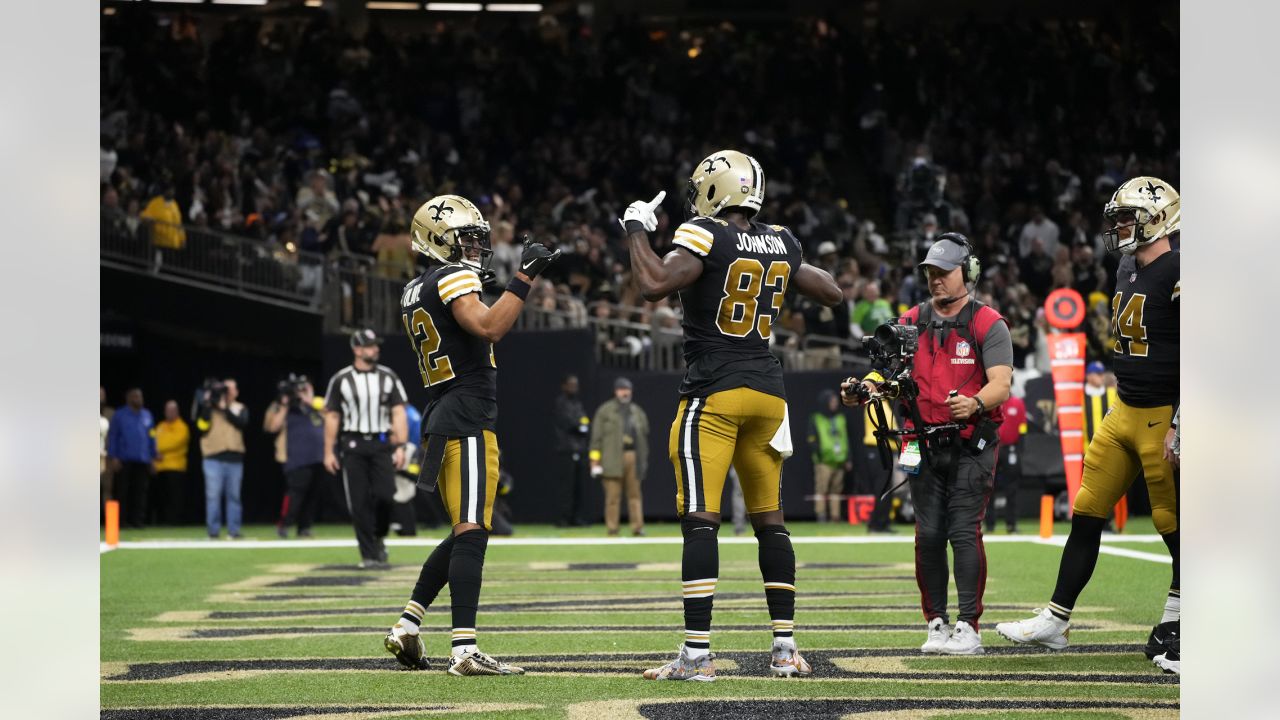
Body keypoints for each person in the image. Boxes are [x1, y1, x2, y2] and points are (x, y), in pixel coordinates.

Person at [622, 149, 842, 680]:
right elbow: (832, 292)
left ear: (715, 189)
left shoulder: (705, 234)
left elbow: (652, 284)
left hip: (715, 391)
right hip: (768, 395)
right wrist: (781, 267)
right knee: (772, 522)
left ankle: (697, 656)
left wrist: (634, 230)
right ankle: (786, 649)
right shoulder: (781, 240)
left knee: (701, 521)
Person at [996, 177, 1181, 673]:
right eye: (1117, 218)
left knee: (1175, 526)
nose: (1119, 226)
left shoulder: (1182, 271)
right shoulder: (1126, 265)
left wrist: (1184, 420)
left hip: (1165, 414)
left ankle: (1181, 621)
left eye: (1128, 218)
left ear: (1158, 218)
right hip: (1123, 409)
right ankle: (1057, 620)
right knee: (1086, 511)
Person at [382, 193, 558, 676]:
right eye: (467, 239)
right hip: (466, 415)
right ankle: (464, 649)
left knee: (465, 530)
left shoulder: (414, 289)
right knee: (473, 532)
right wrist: (525, 278)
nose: (476, 247)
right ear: (439, 241)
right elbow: (488, 327)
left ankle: (408, 626)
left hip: (441, 414)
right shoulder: (451, 276)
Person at [844, 231, 1014, 656]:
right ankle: (936, 622)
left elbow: (1002, 385)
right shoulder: (907, 321)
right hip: (919, 440)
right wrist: (864, 387)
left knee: (962, 530)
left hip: (971, 442)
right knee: (928, 534)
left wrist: (974, 403)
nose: (935, 280)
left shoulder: (988, 322)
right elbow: (883, 371)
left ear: (968, 273)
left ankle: (969, 626)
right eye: (930, 273)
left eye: (944, 272)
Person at [323, 330, 410, 568]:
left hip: (381, 443)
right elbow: (332, 415)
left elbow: (398, 411)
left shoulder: (388, 376)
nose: (375, 350)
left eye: (375, 346)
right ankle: (368, 555)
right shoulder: (341, 379)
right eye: (370, 346)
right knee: (358, 502)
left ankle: (379, 536)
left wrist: (400, 446)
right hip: (352, 444)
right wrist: (328, 451)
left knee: (385, 495)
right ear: (357, 350)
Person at [265, 376, 327, 539]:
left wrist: (310, 399)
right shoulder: (281, 406)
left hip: (318, 456)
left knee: (313, 494)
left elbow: (330, 420)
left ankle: (304, 527)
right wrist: (285, 404)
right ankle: (284, 524)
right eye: (298, 389)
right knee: (295, 494)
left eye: (303, 388)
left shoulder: (316, 405)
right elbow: (272, 427)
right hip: (296, 457)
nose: (300, 392)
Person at [589, 378, 650, 537]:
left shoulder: (637, 412)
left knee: (635, 495)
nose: (625, 392)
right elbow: (596, 439)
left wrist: (643, 461)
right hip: (611, 457)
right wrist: (594, 462)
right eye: (622, 389)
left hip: (633, 456)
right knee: (612, 497)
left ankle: (637, 527)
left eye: (627, 389)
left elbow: (644, 437)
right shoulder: (605, 411)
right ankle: (612, 528)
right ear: (616, 391)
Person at [197, 378, 249, 540]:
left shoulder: (240, 407)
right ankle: (213, 531)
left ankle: (234, 530)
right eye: (225, 389)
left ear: (236, 392)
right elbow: (201, 426)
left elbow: (242, 423)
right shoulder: (208, 407)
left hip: (234, 458)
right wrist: (207, 403)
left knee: (234, 496)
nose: (228, 392)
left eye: (231, 389)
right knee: (213, 495)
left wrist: (224, 408)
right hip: (212, 457)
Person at [105, 388, 157, 529]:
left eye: (140, 396)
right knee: (122, 492)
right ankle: (122, 522)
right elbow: (113, 436)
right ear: (128, 398)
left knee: (140, 492)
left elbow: (152, 436)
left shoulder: (147, 415)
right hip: (124, 459)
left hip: (142, 459)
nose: (138, 399)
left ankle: (137, 521)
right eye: (135, 396)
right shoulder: (120, 415)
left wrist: (153, 456)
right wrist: (114, 456)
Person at [553, 374, 592, 527]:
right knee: (566, 487)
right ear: (564, 386)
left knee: (578, 486)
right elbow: (570, 423)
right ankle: (564, 518)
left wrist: (581, 425)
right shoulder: (561, 403)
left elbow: (585, 422)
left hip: (580, 449)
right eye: (570, 385)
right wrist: (580, 425)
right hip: (566, 450)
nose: (574, 388)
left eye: (576, 385)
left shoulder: (578, 404)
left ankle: (576, 517)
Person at [806, 389, 851, 523]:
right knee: (822, 489)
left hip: (839, 460)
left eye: (836, 402)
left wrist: (848, 458)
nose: (835, 404)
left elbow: (846, 439)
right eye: (832, 402)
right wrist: (819, 456)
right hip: (824, 461)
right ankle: (821, 516)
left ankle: (835, 517)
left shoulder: (840, 418)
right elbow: (812, 439)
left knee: (836, 491)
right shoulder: (816, 418)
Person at [986, 392, 1027, 534]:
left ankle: (1012, 524)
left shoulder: (1017, 403)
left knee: (1012, 488)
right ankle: (989, 524)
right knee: (989, 487)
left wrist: (1019, 448)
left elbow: (1022, 426)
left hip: (1011, 448)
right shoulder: (991, 401)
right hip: (993, 448)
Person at [152, 400, 190, 526]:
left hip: (176, 468)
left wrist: (157, 450)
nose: (170, 413)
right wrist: (153, 452)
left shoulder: (182, 427)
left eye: (173, 410)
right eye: (168, 410)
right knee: (161, 498)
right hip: (160, 467)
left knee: (175, 499)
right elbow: (153, 440)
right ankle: (162, 522)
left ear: (177, 411)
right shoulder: (160, 426)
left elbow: (173, 443)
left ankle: (175, 522)